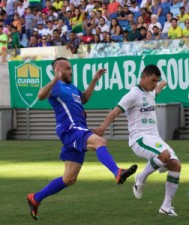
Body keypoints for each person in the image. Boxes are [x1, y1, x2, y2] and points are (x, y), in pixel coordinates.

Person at [26, 57, 137, 220]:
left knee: (69, 179)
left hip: (77, 130)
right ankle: (117, 172)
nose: (71, 71)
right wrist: (54, 79)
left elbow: (84, 98)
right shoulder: (55, 86)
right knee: (100, 141)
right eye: (68, 68)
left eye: (71, 69)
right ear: (58, 68)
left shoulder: (71, 88)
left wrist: (94, 81)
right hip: (70, 130)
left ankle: (35, 198)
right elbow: (41, 95)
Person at [94, 65, 181, 216]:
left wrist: (161, 85)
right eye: (153, 80)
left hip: (154, 138)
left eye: (156, 81)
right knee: (165, 155)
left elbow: (155, 92)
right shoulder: (133, 95)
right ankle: (140, 179)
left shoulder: (150, 92)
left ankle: (166, 207)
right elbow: (116, 111)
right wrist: (102, 127)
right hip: (139, 138)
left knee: (176, 165)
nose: (154, 84)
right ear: (144, 77)